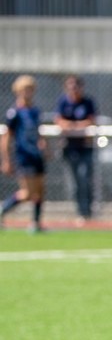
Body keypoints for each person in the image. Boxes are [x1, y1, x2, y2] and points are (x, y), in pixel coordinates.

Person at [1, 75, 47, 233]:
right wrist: (6, 159)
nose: (28, 92)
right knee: (27, 193)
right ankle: (2, 210)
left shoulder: (35, 111)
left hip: (36, 156)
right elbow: (7, 137)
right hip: (23, 155)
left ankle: (36, 223)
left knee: (40, 191)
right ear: (18, 91)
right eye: (25, 89)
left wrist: (43, 144)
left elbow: (38, 133)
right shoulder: (14, 113)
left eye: (30, 89)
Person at [54, 75, 98, 225]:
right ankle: (80, 212)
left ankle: (88, 212)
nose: (73, 89)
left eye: (75, 86)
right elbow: (59, 121)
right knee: (74, 183)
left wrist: (74, 126)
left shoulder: (87, 102)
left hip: (85, 147)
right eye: (69, 86)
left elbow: (91, 121)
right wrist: (74, 126)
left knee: (85, 178)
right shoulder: (63, 102)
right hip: (69, 148)